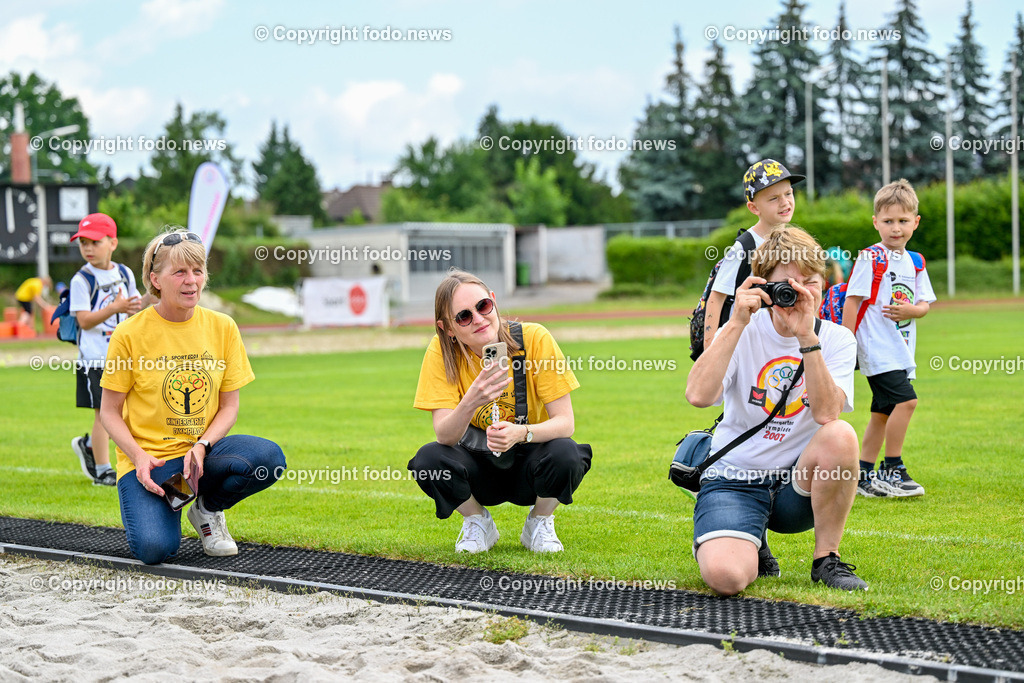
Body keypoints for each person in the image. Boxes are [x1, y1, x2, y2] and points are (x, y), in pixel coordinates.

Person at [685, 226, 867, 594]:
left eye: (810, 282)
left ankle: (826, 559)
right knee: (728, 578)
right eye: (787, 282)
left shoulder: (836, 339)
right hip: (735, 478)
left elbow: (827, 413)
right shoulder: (741, 331)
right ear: (762, 285)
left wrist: (807, 338)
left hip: (794, 487)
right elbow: (698, 396)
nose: (798, 291)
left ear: (823, 286)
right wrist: (735, 321)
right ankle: (739, 536)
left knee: (841, 434)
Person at [100, 228, 286, 564]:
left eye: (197, 271)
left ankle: (205, 509)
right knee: (156, 550)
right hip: (152, 464)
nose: (191, 281)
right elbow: (109, 412)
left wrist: (201, 447)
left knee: (268, 459)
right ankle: (174, 502)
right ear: (155, 280)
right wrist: (139, 458)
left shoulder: (223, 327)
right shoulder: (129, 335)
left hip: (199, 459)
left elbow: (230, 406)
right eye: (180, 272)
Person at [408, 269, 592, 554]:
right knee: (428, 459)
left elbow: (566, 423)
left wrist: (521, 433)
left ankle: (539, 521)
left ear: (493, 300)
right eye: (464, 316)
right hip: (478, 467)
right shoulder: (441, 352)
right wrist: (471, 400)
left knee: (567, 453)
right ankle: (477, 522)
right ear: (447, 328)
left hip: (531, 462)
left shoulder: (534, 338)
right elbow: (444, 434)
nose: (479, 319)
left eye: (483, 306)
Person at [700, 158, 804, 571]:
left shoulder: (790, 242)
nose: (785, 202)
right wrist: (714, 351)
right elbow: (717, 300)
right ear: (753, 206)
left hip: (775, 352)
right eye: (773, 197)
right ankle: (752, 536)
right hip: (739, 351)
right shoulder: (743, 247)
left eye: (789, 194)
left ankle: (758, 527)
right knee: (744, 436)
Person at [843, 179, 935, 498]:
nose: (896, 228)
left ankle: (863, 475)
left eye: (903, 221)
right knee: (907, 401)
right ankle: (892, 468)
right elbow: (852, 302)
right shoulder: (871, 257)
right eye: (888, 221)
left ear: (915, 222)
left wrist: (913, 309)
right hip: (876, 347)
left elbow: (924, 304)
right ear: (876, 222)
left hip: (901, 349)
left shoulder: (916, 261)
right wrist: (847, 342)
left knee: (882, 412)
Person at [67, 213, 143, 486]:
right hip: (96, 358)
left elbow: (135, 307)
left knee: (124, 412)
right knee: (104, 412)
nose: (88, 248)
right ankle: (101, 469)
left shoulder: (124, 273)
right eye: (83, 243)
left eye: (95, 242)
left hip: (123, 357)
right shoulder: (81, 280)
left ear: (113, 243)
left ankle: (90, 446)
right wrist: (114, 308)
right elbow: (84, 320)